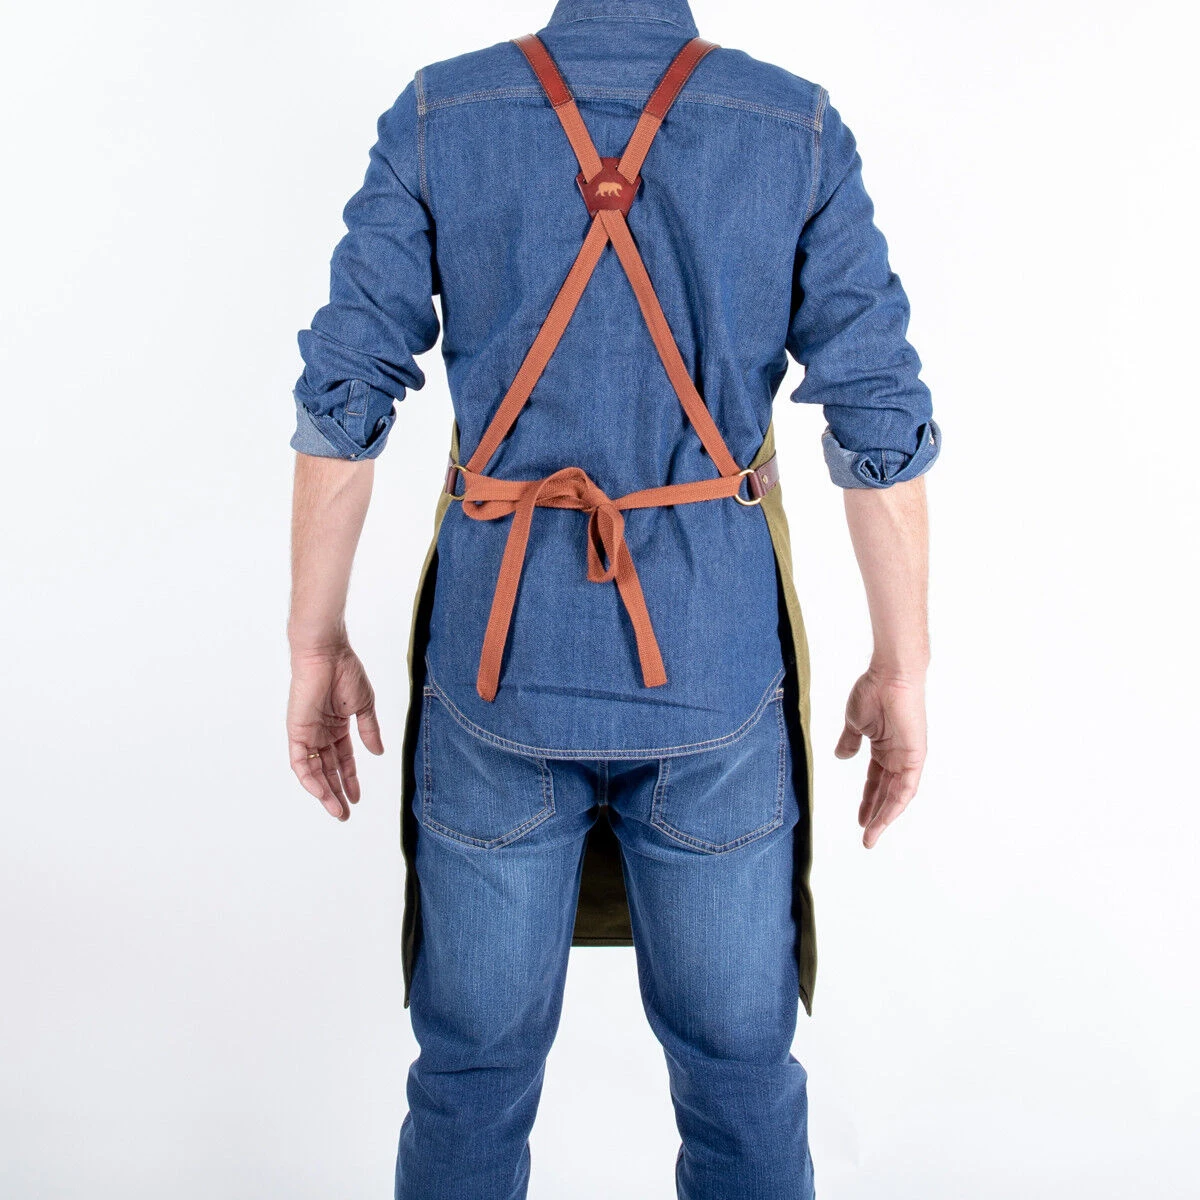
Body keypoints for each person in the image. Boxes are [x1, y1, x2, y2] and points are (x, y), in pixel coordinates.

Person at [285, 1, 939, 1196]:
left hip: (496, 681)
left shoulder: (441, 113)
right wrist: (902, 666)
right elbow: (880, 418)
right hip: (713, 675)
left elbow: (342, 402)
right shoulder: (791, 127)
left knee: (469, 1078)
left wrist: (312, 642)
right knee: (741, 1079)